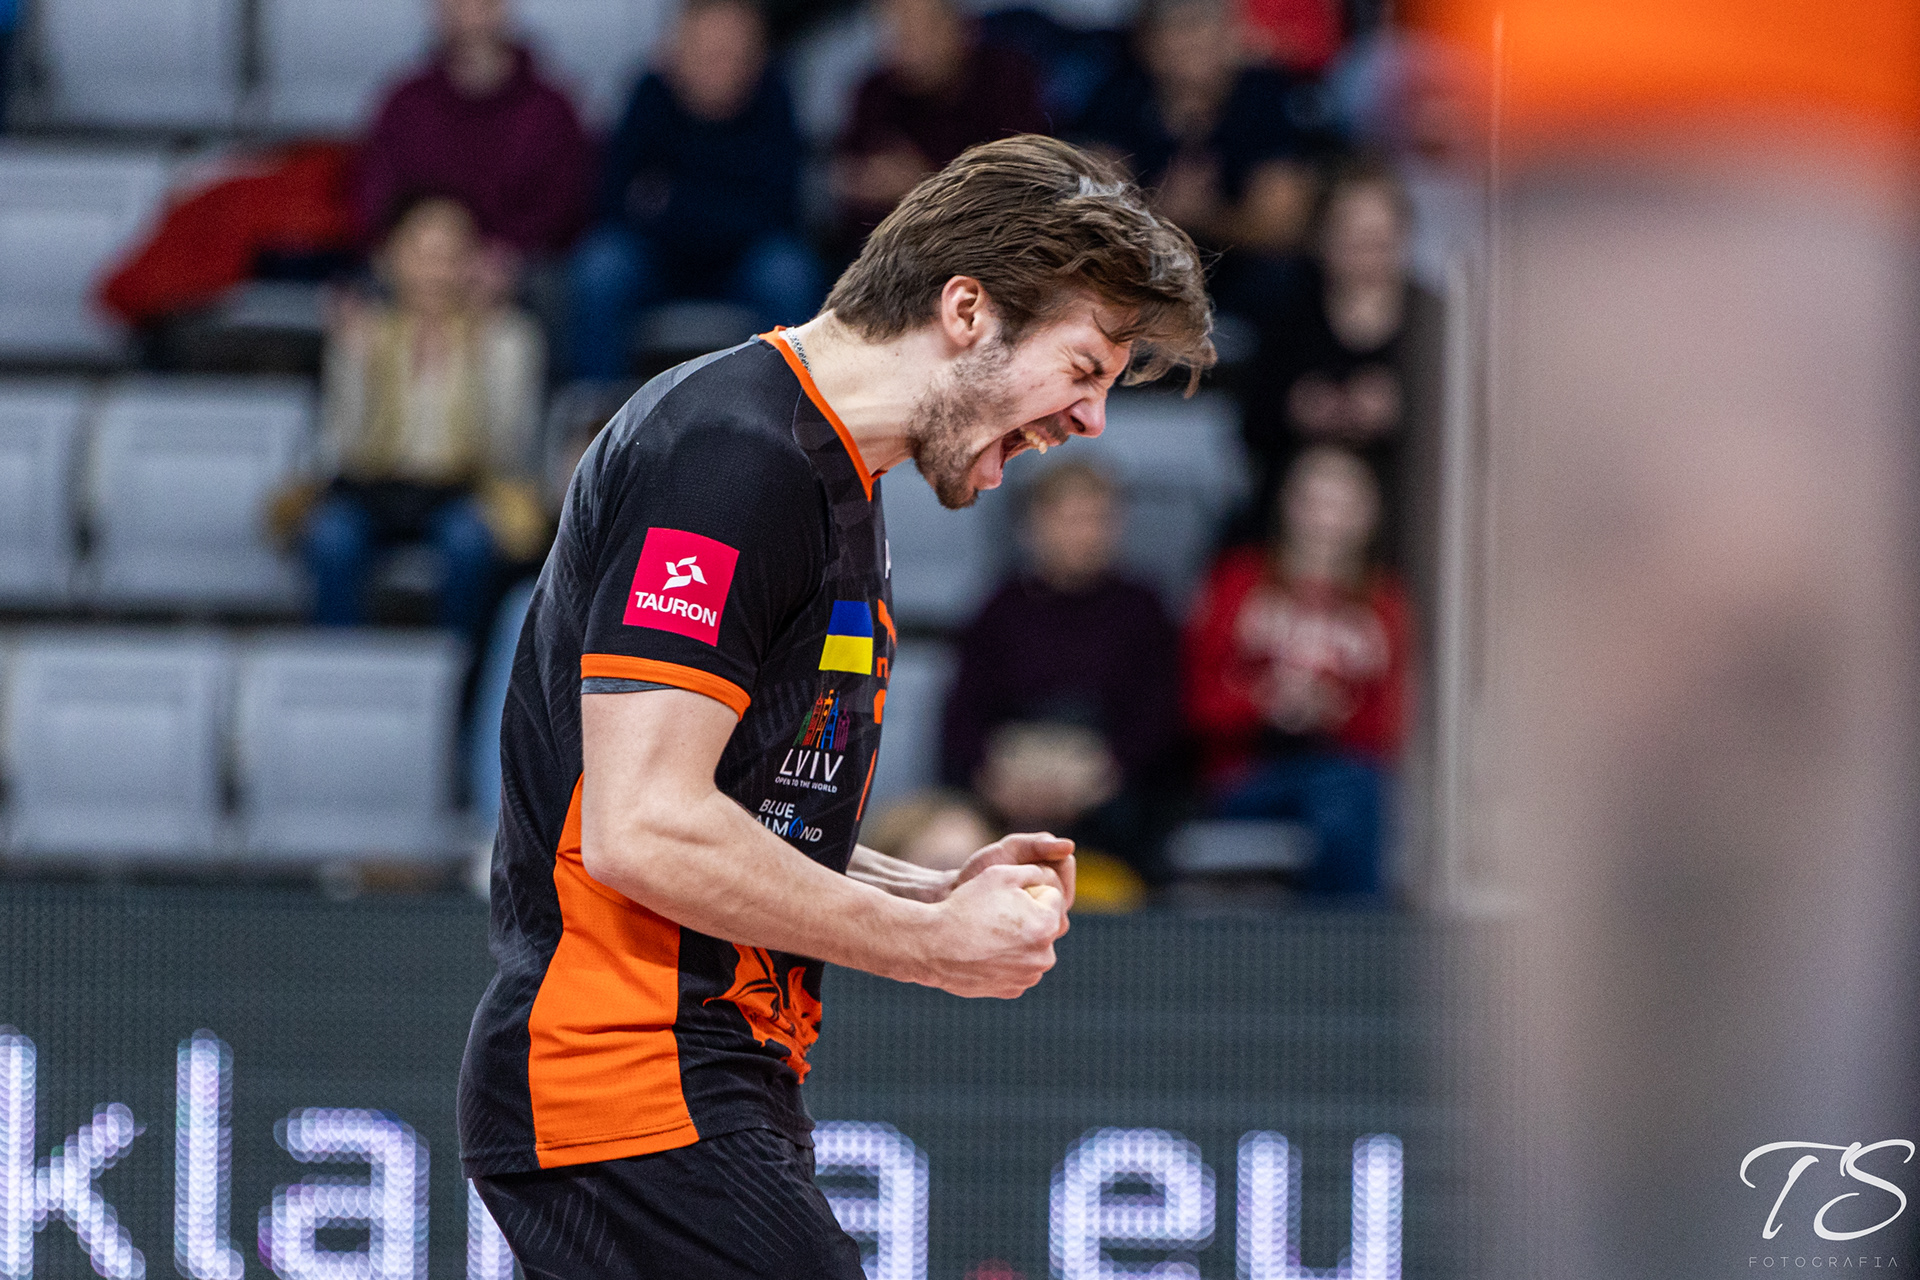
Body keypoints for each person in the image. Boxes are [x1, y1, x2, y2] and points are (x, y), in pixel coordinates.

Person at [458, 135, 1213, 1279]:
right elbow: (641, 827)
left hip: (697, 1079)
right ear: (967, 309)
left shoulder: (828, 478)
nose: (1091, 421)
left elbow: (738, 816)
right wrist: (928, 944)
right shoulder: (732, 454)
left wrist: (927, 884)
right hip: (629, 1076)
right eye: (1085, 366)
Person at [300, 197, 546, 638]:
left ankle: (461, 665)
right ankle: (339, 667)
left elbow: (506, 450)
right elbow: (342, 449)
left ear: (474, 264)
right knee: (331, 538)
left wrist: (478, 354)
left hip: (465, 490)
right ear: (387, 259)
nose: (435, 273)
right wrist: (358, 365)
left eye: (450, 257)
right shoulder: (363, 332)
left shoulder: (508, 338)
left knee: (468, 540)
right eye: (421, 255)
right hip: (375, 490)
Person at [940, 462, 1182, 886]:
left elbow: (1159, 718)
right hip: (1008, 792)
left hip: (1112, 800)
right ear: (1034, 526)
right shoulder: (1000, 609)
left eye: (1097, 519)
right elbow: (963, 716)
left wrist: (1103, 776)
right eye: (1069, 519)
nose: (1084, 534)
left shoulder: (1142, 609)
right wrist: (996, 779)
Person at [1183, 446, 1410, 898]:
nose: (1326, 521)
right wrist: (1268, 705)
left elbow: (1393, 725)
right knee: (1341, 808)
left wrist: (1333, 711)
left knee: (1347, 801)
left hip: (1347, 773)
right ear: (1289, 506)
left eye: (1343, 506)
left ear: (1369, 517)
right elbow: (1198, 703)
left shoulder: (1385, 604)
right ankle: (1348, 937)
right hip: (1246, 771)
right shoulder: (1239, 582)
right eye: (1315, 503)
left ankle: (1341, 936)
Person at [569, 0, 823, 378]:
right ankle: (597, 406)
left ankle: (792, 406)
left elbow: (781, 208)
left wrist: (671, 205)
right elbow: (614, 202)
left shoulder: (773, 99)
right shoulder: (649, 94)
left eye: (730, 53)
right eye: (706, 53)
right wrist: (722, 207)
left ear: (755, 57)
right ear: (676, 51)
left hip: (742, 262)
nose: (718, 66)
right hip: (657, 260)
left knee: (789, 274)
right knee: (601, 269)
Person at [1238, 157, 1440, 570]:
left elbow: (1466, 441)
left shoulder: (1434, 321)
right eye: (1353, 238)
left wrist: (1405, 412)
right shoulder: (1289, 314)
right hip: (1291, 531)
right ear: (1323, 239)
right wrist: (1295, 408)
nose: (1367, 254)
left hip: (1406, 529)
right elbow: (1249, 428)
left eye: (1380, 240)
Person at [1073, 0, 1324, 304]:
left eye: (1206, 25)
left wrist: (1201, 218)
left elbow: (1283, 225)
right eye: (1181, 27)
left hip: (1244, 287)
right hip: (1139, 281)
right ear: (1148, 42)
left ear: (1233, 38)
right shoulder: (1117, 97)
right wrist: (1162, 210)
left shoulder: (1264, 97)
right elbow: (1094, 211)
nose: (1196, 41)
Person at [355, 0, 593, 300]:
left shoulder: (551, 108)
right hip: (420, 259)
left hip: (522, 264)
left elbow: (565, 207)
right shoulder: (404, 104)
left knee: (556, 286)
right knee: (362, 295)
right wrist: (433, 256)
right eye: (456, 4)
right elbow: (378, 198)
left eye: (482, 4)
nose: (469, 15)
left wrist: (503, 255)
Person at [832, 0, 1048, 251]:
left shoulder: (1006, 77)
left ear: (959, 27)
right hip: (895, 251)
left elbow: (1028, 183)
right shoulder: (875, 92)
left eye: (921, 30)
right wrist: (859, 183)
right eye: (898, 34)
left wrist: (923, 183)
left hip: (994, 247)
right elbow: (847, 181)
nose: (909, 49)